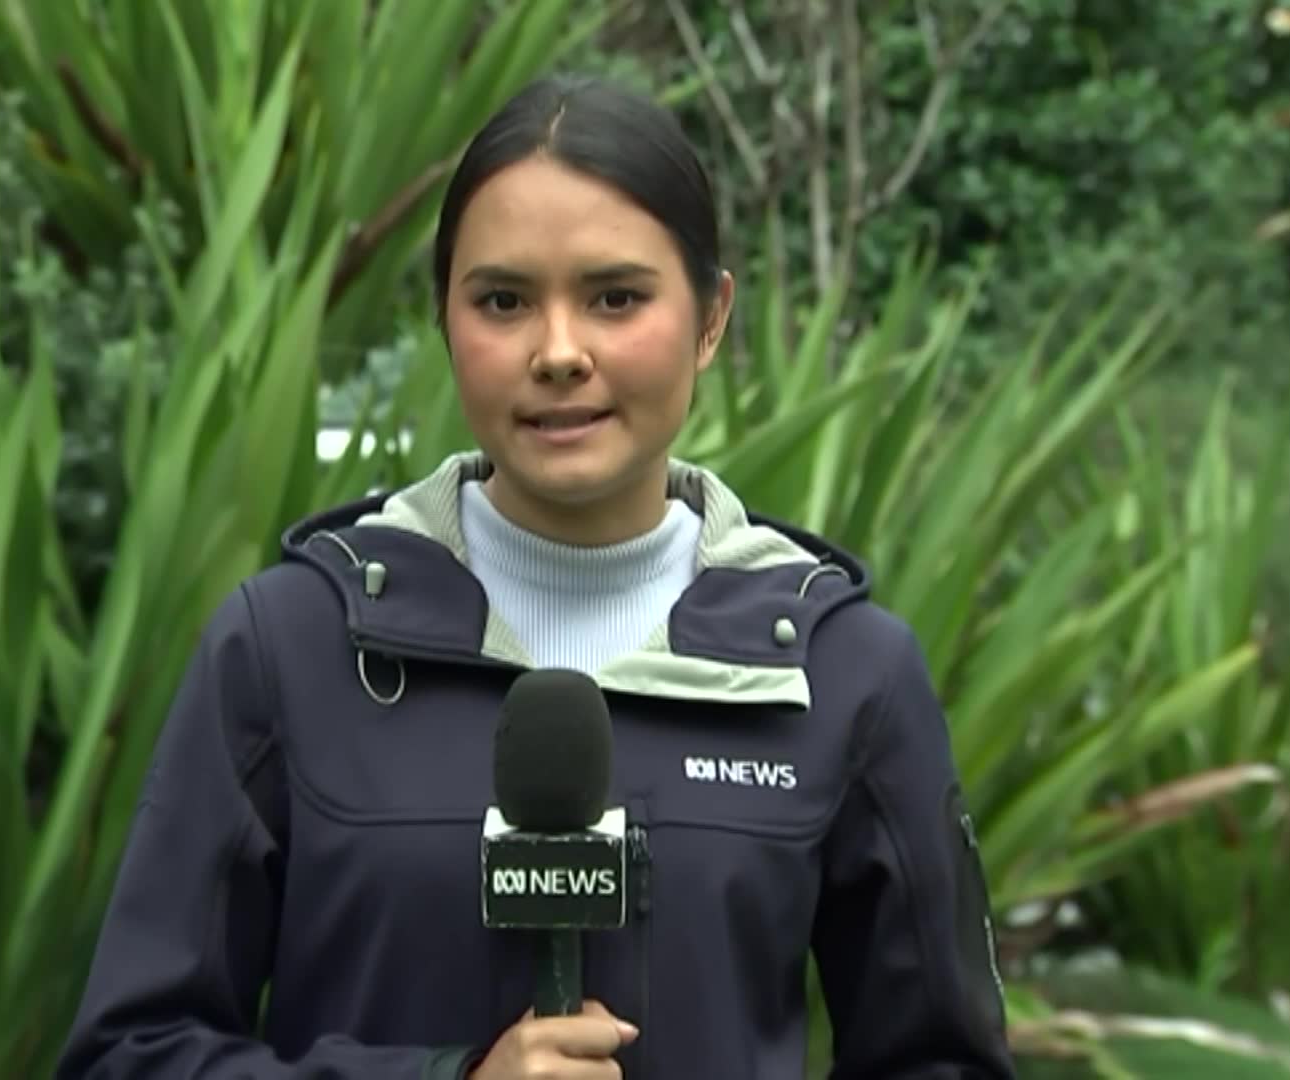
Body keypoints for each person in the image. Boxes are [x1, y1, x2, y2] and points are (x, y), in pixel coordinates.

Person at [55, 73, 1017, 1080]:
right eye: (504, 300)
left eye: (616, 297)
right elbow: (130, 1055)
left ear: (711, 318)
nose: (560, 353)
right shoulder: (291, 646)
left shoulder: (842, 672)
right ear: (445, 318)